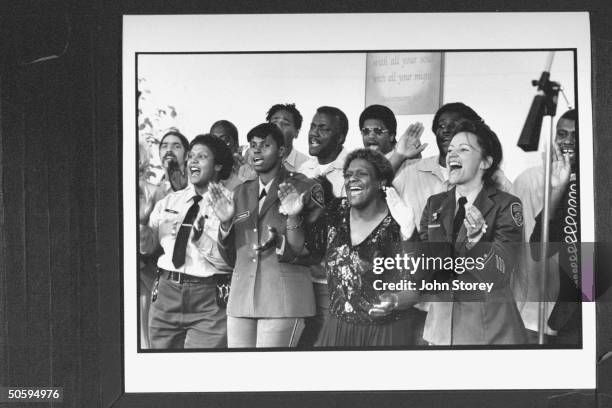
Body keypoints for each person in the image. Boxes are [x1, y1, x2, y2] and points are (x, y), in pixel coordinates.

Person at [210, 123, 324, 348]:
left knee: (271, 376)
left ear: (281, 151)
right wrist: (225, 225)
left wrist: (293, 219)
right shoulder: (240, 192)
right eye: (253, 146)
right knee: (241, 378)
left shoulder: (306, 187)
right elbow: (231, 258)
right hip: (241, 300)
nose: (256, 151)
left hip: (283, 300)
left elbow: (313, 251)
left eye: (265, 145)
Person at [419, 120, 526, 345]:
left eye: (464, 149)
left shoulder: (506, 205)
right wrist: (409, 233)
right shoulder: (435, 204)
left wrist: (477, 243)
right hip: (441, 329)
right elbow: (424, 269)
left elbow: (501, 272)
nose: (452, 155)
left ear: (486, 162)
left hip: (488, 330)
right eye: (450, 150)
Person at [301, 148, 421, 347]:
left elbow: (416, 287)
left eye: (362, 174)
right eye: (348, 175)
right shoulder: (335, 211)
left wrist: (408, 231)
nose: (352, 179)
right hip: (338, 327)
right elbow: (305, 251)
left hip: (384, 333)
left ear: (381, 182)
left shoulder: (398, 221)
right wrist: (293, 216)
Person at [139, 134, 234, 348]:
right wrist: (143, 226)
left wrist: (201, 238)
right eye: (191, 156)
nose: (192, 161)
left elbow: (229, 262)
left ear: (218, 165)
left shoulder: (230, 204)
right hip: (166, 294)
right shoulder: (169, 201)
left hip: (209, 298)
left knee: (202, 372)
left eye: (202, 157)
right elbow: (147, 248)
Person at [514, 109, 581, 345]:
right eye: (562, 134)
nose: (568, 141)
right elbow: (538, 250)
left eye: (576, 134)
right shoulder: (559, 184)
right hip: (567, 320)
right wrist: (557, 190)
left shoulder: (598, 179)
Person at [137, 130, 190, 348]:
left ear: (187, 154)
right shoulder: (153, 189)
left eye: (176, 145)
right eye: (164, 145)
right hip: (149, 270)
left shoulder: (192, 184)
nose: (169, 149)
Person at [266, 103, 316, 173]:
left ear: (296, 133)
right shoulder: (254, 161)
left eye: (285, 124)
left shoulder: (309, 166)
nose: (278, 127)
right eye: (274, 123)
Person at [210, 119, 256, 190]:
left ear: (236, 143)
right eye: (213, 140)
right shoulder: (206, 169)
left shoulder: (248, 165)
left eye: (224, 140)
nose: (218, 145)